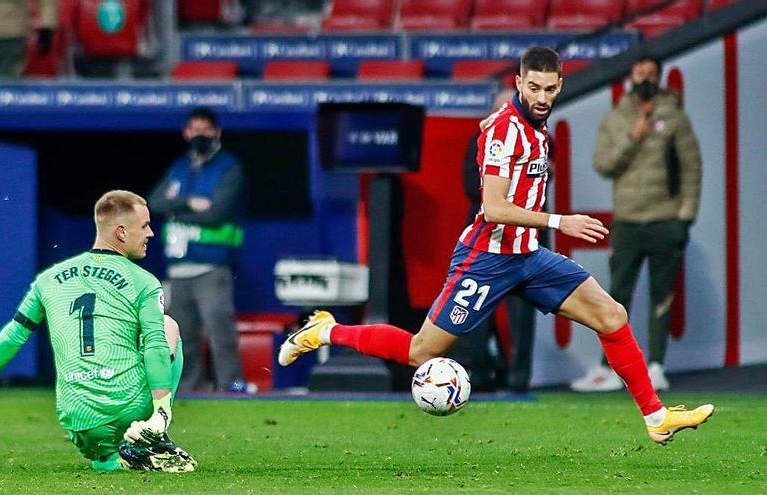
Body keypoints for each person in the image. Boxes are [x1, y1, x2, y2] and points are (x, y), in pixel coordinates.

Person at [279, 47, 713, 444]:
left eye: (550, 88)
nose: (542, 96)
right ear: (521, 83)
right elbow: (494, 207)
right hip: (486, 259)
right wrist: (561, 221)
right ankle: (324, 330)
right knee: (420, 351)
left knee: (611, 314)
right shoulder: (507, 132)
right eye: (534, 87)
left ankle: (656, 417)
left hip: (529, 256)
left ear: (559, 85)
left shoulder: (536, 129)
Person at [0, 190, 196, 473]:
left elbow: (14, 333)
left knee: (99, 445)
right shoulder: (144, 282)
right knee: (167, 326)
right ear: (121, 232)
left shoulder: (48, 279)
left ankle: (108, 460)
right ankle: (153, 434)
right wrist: (162, 410)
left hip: (76, 420)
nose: (151, 233)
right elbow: (154, 345)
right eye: (144, 226)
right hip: (126, 410)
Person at [571, 55, 702, 393]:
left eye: (651, 72)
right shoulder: (615, 118)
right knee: (615, 297)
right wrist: (633, 137)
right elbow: (603, 164)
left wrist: (684, 218)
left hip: (665, 219)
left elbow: (691, 168)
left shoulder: (674, 116)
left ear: (659, 77)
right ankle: (610, 369)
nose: (644, 77)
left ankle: (656, 365)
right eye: (639, 71)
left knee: (662, 296)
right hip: (628, 220)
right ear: (630, 76)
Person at [148, 107, 249, 393]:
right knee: (184, 337)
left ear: (216, 132)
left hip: (212, 266)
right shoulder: (180, 167)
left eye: (205, 130)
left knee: (221, 333)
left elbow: (217, 212)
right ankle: (191, 389)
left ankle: (231, 386)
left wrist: (175, 209)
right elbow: (155, 203)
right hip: (179, 268)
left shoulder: (228, 167)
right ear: (186, 133)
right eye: (194, 130)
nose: (199, 135)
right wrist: (191, 203)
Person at [461, 86, 538, 393]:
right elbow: (471, 187)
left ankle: (520, 378)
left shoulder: (536, 141)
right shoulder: (477, 142)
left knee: (522, 314)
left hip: (524, 239)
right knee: (477, 306)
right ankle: (479, 373)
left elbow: (540, 187)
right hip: (485, 238)